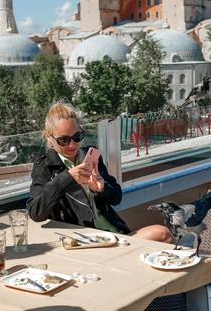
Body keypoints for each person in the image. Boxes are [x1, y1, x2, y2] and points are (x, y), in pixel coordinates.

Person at [27, 101, 174, 243]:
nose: (72, 145)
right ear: (49, 137)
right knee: (161, 234)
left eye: (77, 137)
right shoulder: (45, 167)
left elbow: (116, 198)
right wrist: (67, 178)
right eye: (64, 140)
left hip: (112, 236)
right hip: (82, 241)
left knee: (163, 234)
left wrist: (102, 189)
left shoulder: (89, 156)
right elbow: (35, 212)